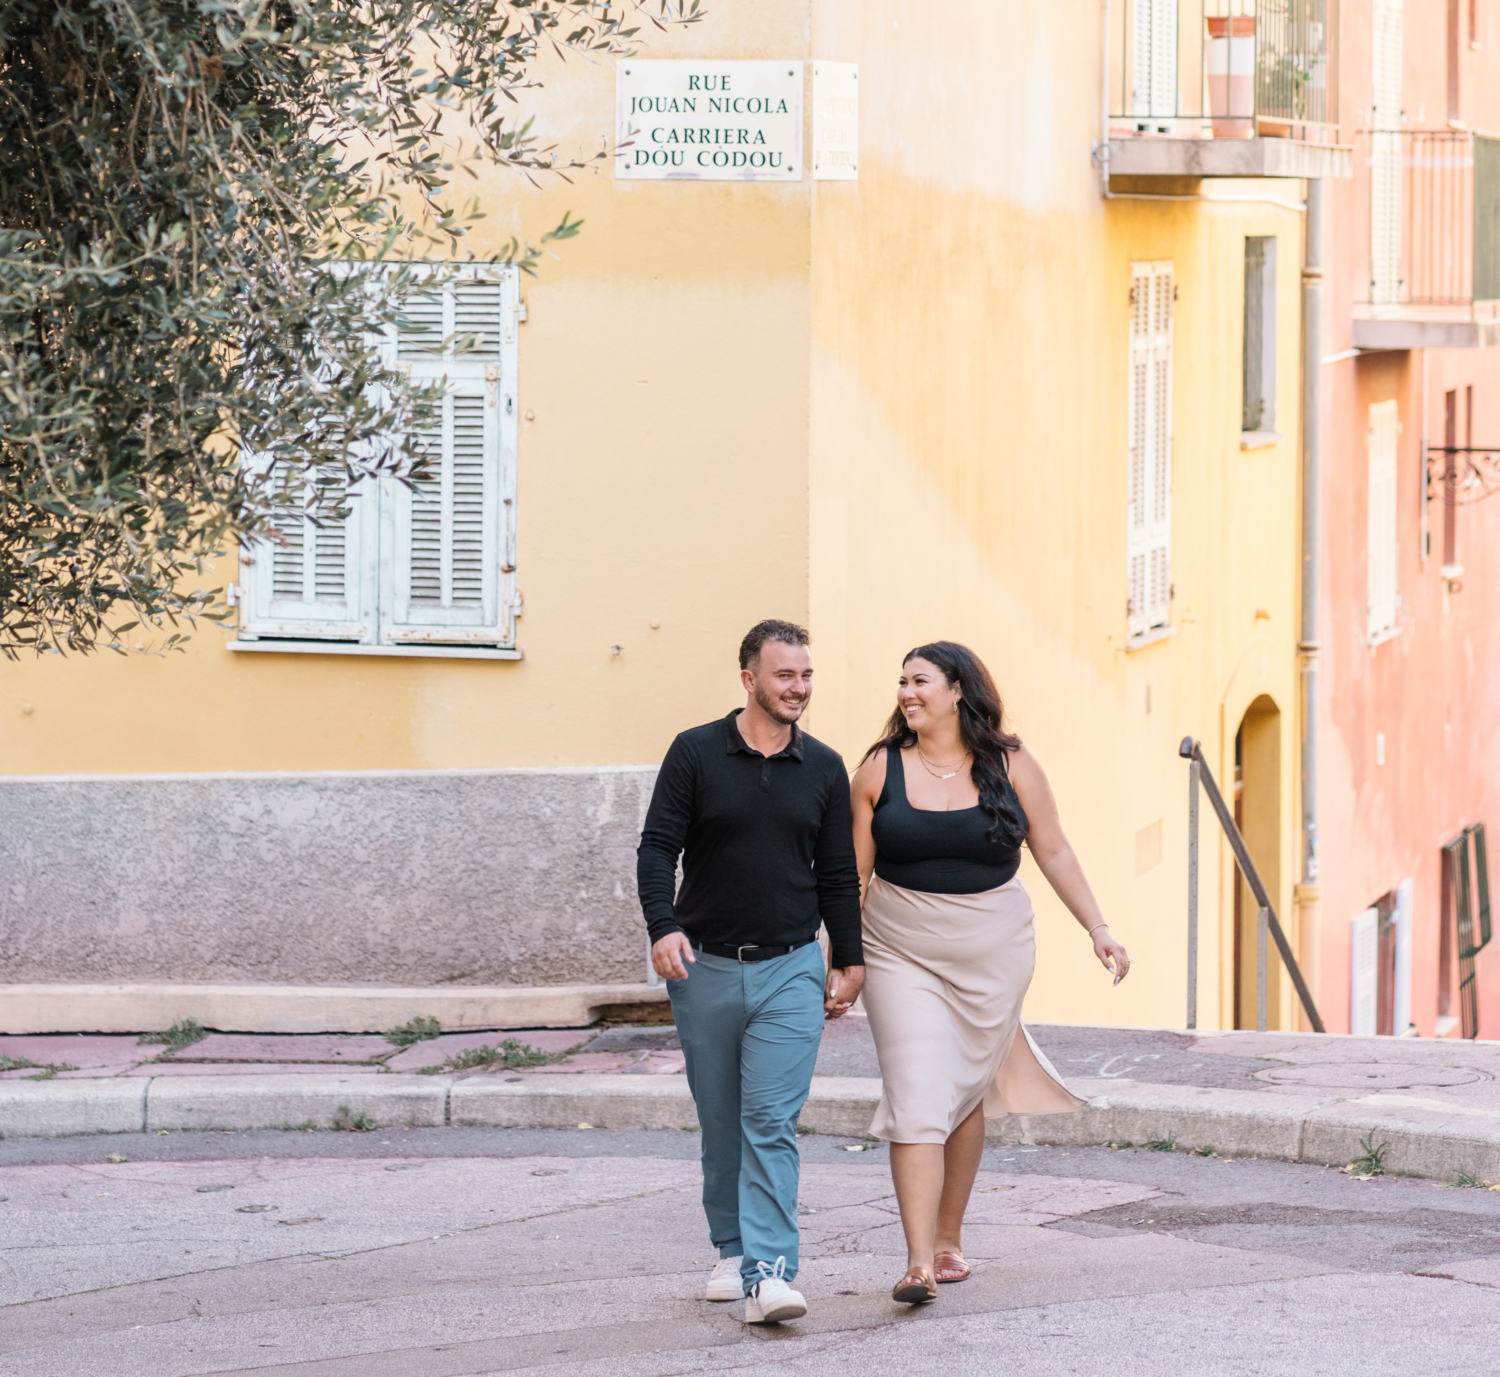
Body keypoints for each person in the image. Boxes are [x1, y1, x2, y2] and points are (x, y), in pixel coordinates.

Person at [849, 641, 1130, 1304]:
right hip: (898, 948)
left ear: (957, 690)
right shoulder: (878, 769)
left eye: (919, 681)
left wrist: (1099, 927)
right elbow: (849, 875)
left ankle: (949, 1238)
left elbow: (1053, 847)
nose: (906, 693)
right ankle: (917, 1261)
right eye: (901, 682)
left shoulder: (1012, 763)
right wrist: (839, 956)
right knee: (918, 1089)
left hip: (993, 952)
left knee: (966, 1088)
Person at [638, 619, 864, 1324]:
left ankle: (770, 1272)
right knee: (721, 1119)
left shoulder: (824, 766)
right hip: (703, 965)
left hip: (791, 965)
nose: (798, 688)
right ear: (749, 679)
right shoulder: (696, 752)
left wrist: (849, 957)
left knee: (770, 1117)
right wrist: (662, 926)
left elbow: (837, 874)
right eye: (783, 675)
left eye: (805, 675)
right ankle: (732, 1247)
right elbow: (656, 849)